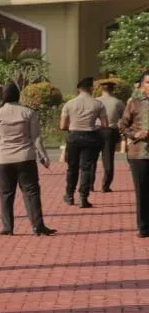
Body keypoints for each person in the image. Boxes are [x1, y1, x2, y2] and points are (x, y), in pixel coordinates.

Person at [0, 82, 56, 236]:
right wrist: (43, 156)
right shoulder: (28, 112)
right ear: (18, 94)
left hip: (3, 159)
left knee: (5, 193)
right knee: (31, 192)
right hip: (25, 157)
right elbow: (36, 137)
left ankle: (7, 227)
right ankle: (38, 225)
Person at [59, 77, 108, 208]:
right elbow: (105, 124)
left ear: (78, 89)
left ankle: (69, 195)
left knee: (72, 168)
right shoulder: (98, 104)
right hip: (90, 137)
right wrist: (94, 127)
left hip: (73, 137)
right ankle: (83, 198)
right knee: (86, 168)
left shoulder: (69, 104)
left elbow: (63, 126)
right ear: (91, 88)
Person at [116, 69, 149, 237]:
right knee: (142, 191)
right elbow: (122, 125)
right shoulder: (134, 103)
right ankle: (143, 227)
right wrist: (135, 134)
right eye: (148, 83)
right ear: (142, 85)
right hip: (139, 153)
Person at [97, 77, 127, 192]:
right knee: (108, 158)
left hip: (95, 130)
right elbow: (123, 119)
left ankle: (89, 184)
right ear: (112, 90)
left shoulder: (96, 101)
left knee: (91, 159)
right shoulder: (118, 102)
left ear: (101, 89)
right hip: (110, 131)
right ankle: (105, 185)